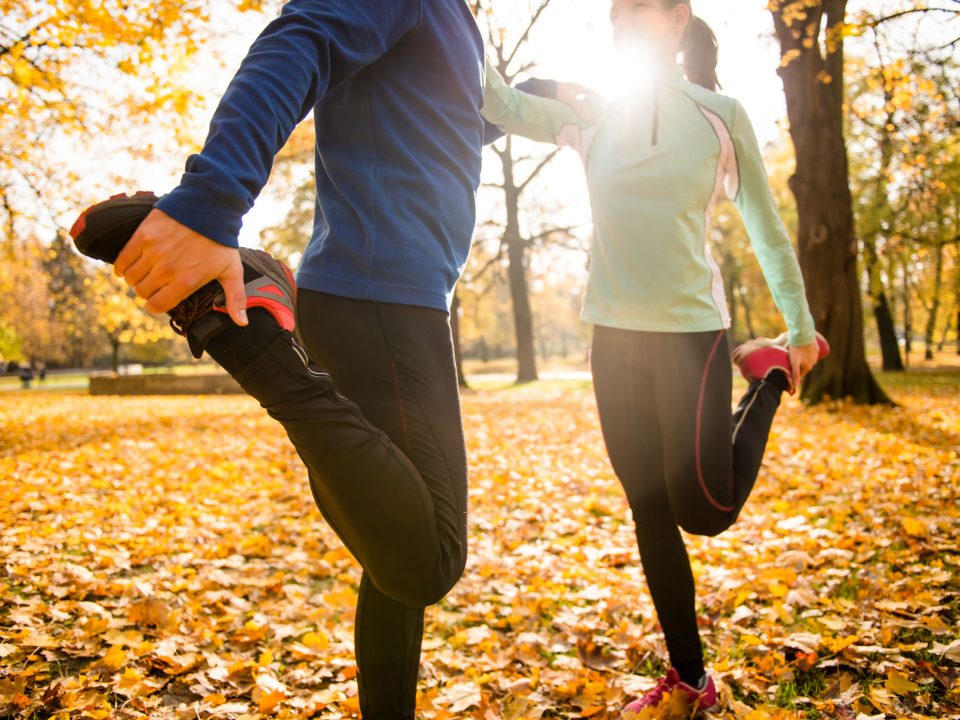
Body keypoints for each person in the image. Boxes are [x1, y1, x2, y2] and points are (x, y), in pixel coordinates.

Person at [71, 2, 489, 718]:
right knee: (427, 561)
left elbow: (447, 116)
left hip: (382, 296)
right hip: (383, 298)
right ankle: (248, 334)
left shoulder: (455, 21)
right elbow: (305, 36)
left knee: (391, 552)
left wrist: (558, 107)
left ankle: (260, 307)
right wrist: (211, 200)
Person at [480, 0, 829, 713]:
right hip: (611, 339)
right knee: (647, 508)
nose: (625, 17)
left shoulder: (720, 114)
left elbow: (763, 225)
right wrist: (458, 26)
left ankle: (765, 380)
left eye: (642, 6)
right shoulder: (594, 117)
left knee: (706, 510)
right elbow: (496, 102)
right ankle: (693, 680)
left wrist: (798, 327)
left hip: (689, 335)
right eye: (618, 10)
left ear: (677, 19)